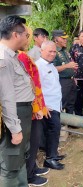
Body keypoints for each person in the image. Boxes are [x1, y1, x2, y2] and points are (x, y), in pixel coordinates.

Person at [0, 15, 35, 187]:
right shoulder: (3, 58)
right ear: (16, 35)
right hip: (15, 113)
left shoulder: (12, 55)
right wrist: (14, 129)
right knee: (10, 162)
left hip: (22, 112)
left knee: (20, 156)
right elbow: (6, 97)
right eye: (26, 35)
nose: (27, 39)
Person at [18, 35, 50, 185]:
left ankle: (32, 168)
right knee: (31, 142)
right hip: (29, 108)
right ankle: (29, 175)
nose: (28, 40)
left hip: (34, 105)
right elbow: (30, 85)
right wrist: (38, 107)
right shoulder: (20, 57)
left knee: (33, 142)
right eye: (26, 37)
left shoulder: (22, 55)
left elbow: (36, 84)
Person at [36, 41, 65, 170]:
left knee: (53, 131)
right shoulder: (38, 66)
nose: (53, 54)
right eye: (50, 51)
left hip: (55, 104)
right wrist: (42, 105)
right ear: (42, 51)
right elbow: (35, 88)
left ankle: (53, 153)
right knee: (53, 129)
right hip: (47, 106)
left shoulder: (51, 66)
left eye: (54, 51)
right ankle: (50, 159)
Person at [52, 30, 78, 114]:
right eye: (63, 38)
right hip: (62, 81)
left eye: (66, 38)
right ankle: (58, 124)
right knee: (61, 103)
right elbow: (52, 68)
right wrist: (67, 66)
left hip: (71, 81)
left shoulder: (65, 51)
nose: (65, 40)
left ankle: (70, 124)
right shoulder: (53, 51)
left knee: (71, 104)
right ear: (56, 39)